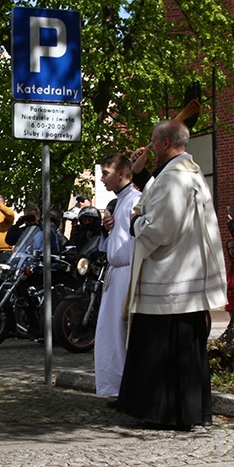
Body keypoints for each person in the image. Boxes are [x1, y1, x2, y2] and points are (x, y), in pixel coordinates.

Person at [114, 120, 227, 431]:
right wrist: (140, 173)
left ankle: (161, 414)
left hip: (169, 280)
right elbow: (159, 195)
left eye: (152, 142)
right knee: (182, 352)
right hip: (183, 277)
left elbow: (161, 225)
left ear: (165, 143)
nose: (149, 147)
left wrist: (136, 222)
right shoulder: (188, 172)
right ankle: (185, 412)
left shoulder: (175, 178)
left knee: (160, 351)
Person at [93, 153, 142, 399]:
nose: (102, 178)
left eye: (105, 172)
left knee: (121, 332)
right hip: (115, 273)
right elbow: (116, 238)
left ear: (121, 174)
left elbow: (137, 239)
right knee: (108, 332)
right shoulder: (119, 201)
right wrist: (107, 227)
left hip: (127, 273)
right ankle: (113, 386)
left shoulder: (135, 201)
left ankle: (124, 387)